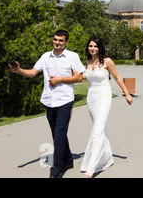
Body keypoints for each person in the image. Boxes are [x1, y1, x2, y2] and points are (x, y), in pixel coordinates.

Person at [9, 30, 85, 178]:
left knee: (59, 133)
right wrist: (18, 70)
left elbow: (79, 77)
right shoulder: (45, 56)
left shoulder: (72, 57)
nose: (57, 42)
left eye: (61, 41)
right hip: (49, 101)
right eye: (55, 40)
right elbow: (32, 73)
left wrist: (60, 79)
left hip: (65, 100)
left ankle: (57, 168)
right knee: (57, 133)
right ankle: (68, 159)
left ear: (66, 42)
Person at [80, 36, 133, 178]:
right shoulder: (87, 61)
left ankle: (91, 167)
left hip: (104, 96)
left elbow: (117, 78)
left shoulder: (107, 61)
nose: (92, 48)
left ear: (100, 48)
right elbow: (84, 77)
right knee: (100, 128)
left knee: (97, 130)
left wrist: (127, 94)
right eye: (90, 46)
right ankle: (107, 158)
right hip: (91, 98)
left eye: (95, 46)